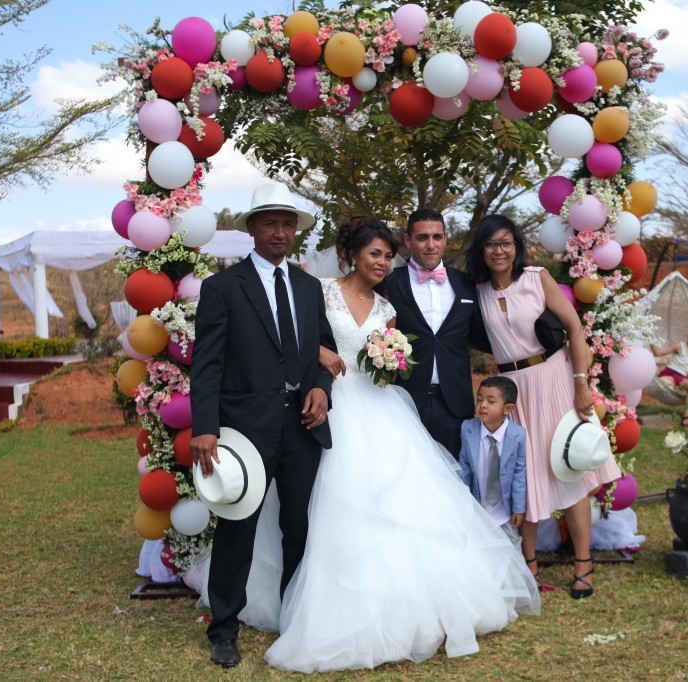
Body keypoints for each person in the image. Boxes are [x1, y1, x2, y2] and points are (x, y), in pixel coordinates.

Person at [264, 217, 539, 673]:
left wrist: (387, 360)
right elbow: (291, 337)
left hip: (381, 406)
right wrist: (321, 353)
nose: (383, 262)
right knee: (338, 501)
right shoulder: (321, 291)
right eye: (376, 254)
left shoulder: (386, 306)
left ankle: (415, 603)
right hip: (335, 402)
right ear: (352, 254)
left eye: (388, 256)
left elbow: (392, 356)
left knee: (407, 500)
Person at [189, 183, 336, 669]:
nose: (280, 232)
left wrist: (322, 390)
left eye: (288, 224)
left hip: (302, 427)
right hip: (243, 429)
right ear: (251, 228)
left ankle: (295, 618)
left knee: (299, 525)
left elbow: (321, 352)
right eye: (270, 223)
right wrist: (205, 426)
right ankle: (224, 629)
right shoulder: (222, 288)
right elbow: (206, 364)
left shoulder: (309, 287)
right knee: (239, 527)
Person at [466, 214, 620, 600]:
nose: (499, 250)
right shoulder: (478, 291)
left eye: (506, 242)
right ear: (481, 250)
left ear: (516, 246)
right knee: (524, 474)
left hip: (551, 379)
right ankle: (527, 564)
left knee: (569, 471)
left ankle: (584, 561)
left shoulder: (536, 277)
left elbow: (574, 328)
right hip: (511, 390)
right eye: (491, 244)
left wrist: (581, 384)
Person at [383, 208, 488, 457]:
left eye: (437, 237)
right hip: (405, 402)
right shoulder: (388, 284)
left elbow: (483, 335)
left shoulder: (466, 283)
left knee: (455, 480)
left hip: (455, 403)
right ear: (407, 240)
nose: (431, 245)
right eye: (422, 238)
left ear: (445, 238)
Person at [459, 376, 527, 551]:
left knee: (511, 546)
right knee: (477, 546)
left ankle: (517, 578)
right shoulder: (468, 429)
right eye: (480, 399)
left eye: (491, 401)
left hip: (503, 510)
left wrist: (519, 508)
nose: (483, 405)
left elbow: (520, 473)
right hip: (478, 505)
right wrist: (462, 501)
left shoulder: (517, 435)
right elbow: (464, 466)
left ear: (508, 408)